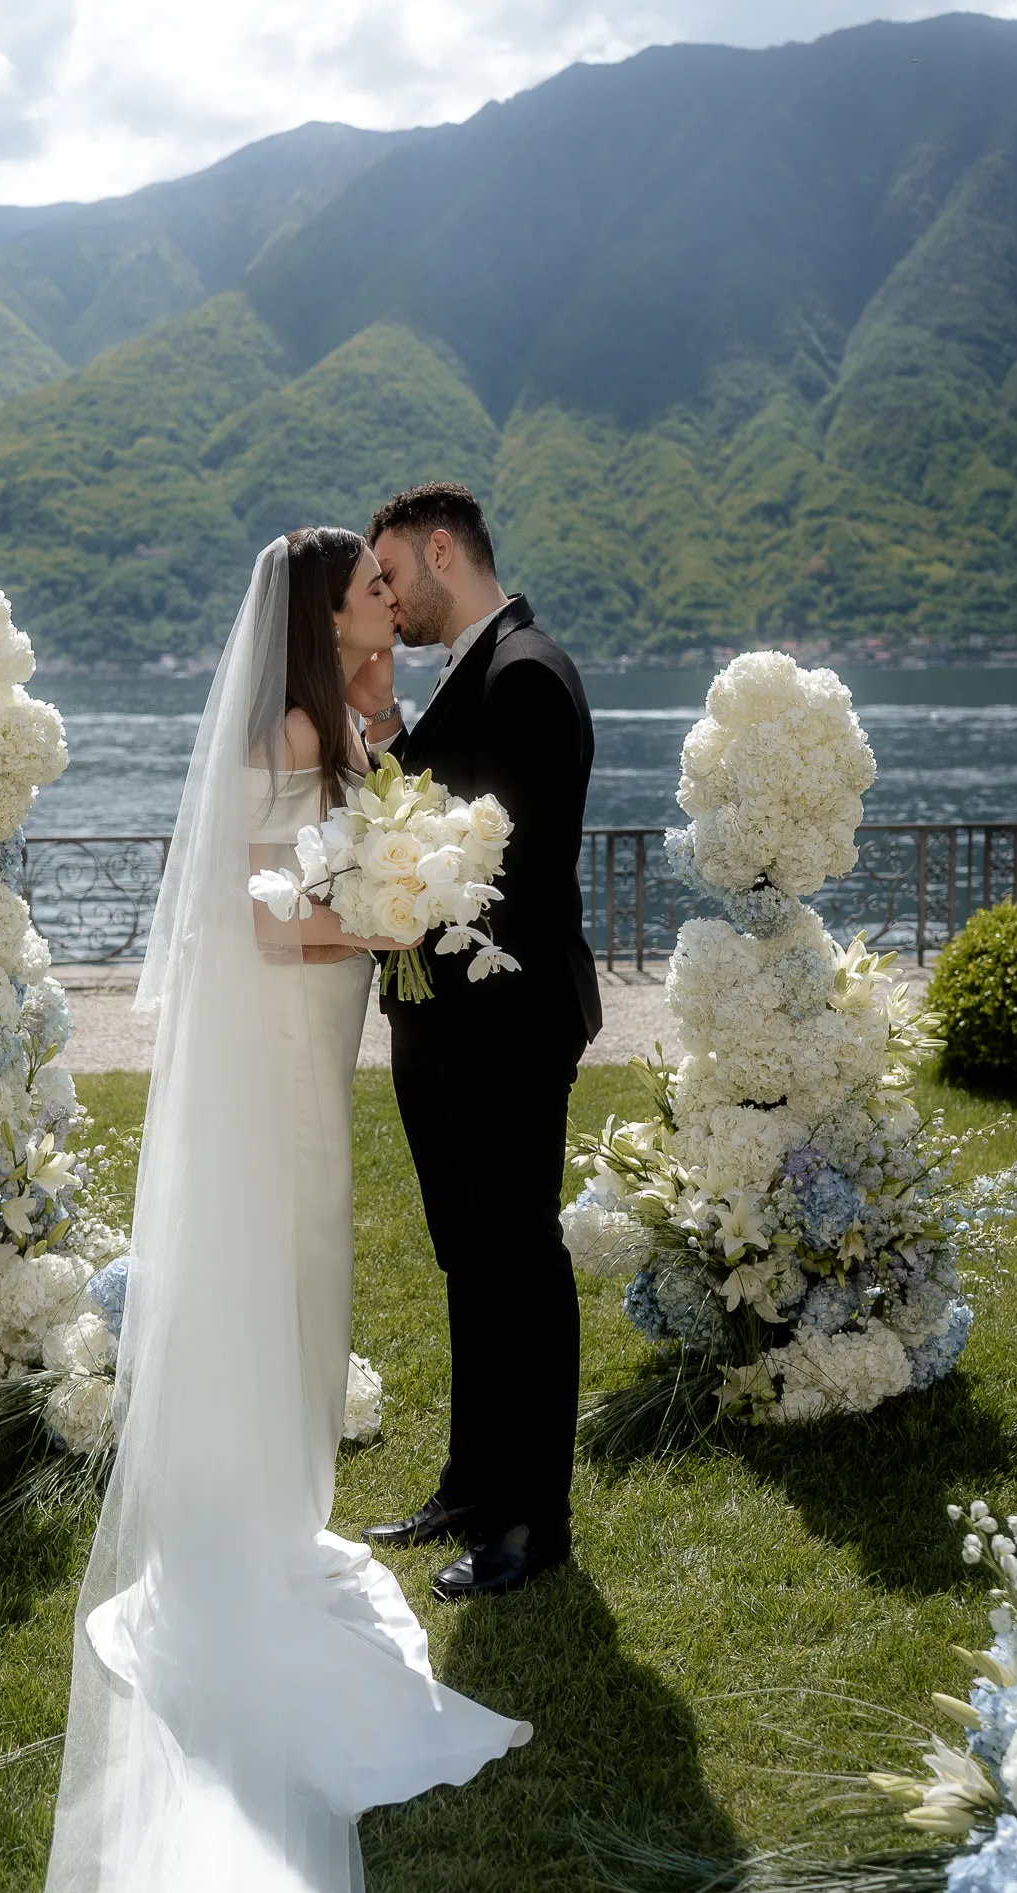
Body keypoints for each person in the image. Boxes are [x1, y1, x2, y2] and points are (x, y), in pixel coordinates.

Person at [41, 529, 530, 1893]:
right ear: (322, 609)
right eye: (372, 588)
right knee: (289, 1264)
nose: (393, 596)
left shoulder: (340, 714)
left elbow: (333, 831)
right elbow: (276, 923)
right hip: (280, 1044)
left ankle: (268, 1505)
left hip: (308, 1048)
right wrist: (386, 919)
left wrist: (381, 773)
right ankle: (249, 1529)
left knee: (308, 1271)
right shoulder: (293, 724)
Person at [350, 482, 601, 1602]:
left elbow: (519, 873)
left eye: (390, 576)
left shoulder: (528, 674)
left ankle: (529, 1523)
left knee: (519, 1264)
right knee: (465, 1259)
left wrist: (394, 893)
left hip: (504, 1024)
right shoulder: (470, 673)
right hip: (437, 1017)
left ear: (440, 550)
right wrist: (387, 733)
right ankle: (470, 1480)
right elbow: (436, 806)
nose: (385, 601)